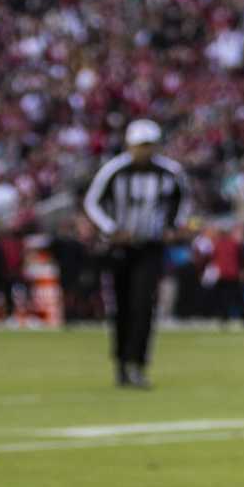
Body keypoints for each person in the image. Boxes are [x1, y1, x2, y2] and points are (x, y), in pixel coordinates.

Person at [82, 118, 191, 389]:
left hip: (151, 246)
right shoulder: (114, 171)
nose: (145, 151)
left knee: (144, 305)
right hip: (120, 247)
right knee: (120, 306)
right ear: (129, 146)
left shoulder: (170, 172)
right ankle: (121, 363)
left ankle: (138, 364)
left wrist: (173, 226)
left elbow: (184, 201)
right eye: (140, 146)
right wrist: (111, 229)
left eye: (149, 146)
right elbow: (92, 203)